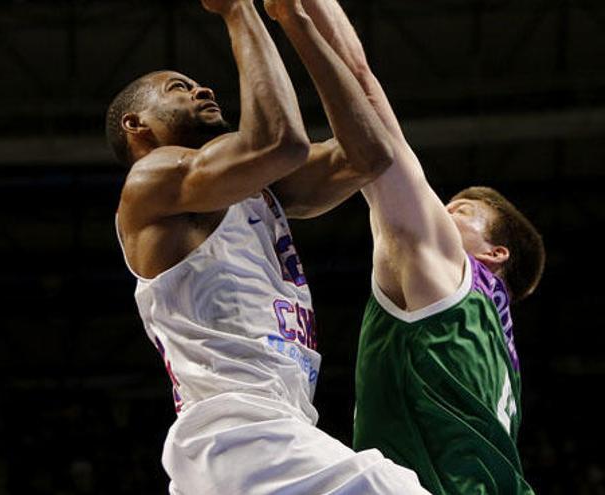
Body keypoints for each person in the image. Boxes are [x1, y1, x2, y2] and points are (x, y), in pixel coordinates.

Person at [110, 0, 429, 492]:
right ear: (137, 125)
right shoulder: (152, 181)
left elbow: (369, 154)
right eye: (179, 88)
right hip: (241, 435)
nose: (202, 88)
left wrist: (297, 23)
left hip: (272, 435)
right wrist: (239, 12)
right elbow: (282, 142)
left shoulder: (259, 190)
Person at [275, 1, 544, 493]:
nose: (439, 211)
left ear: (494, 254)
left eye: (460, 211)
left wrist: (296, 13)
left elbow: (364, 93)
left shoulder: (451, 272)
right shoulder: (501, 359)